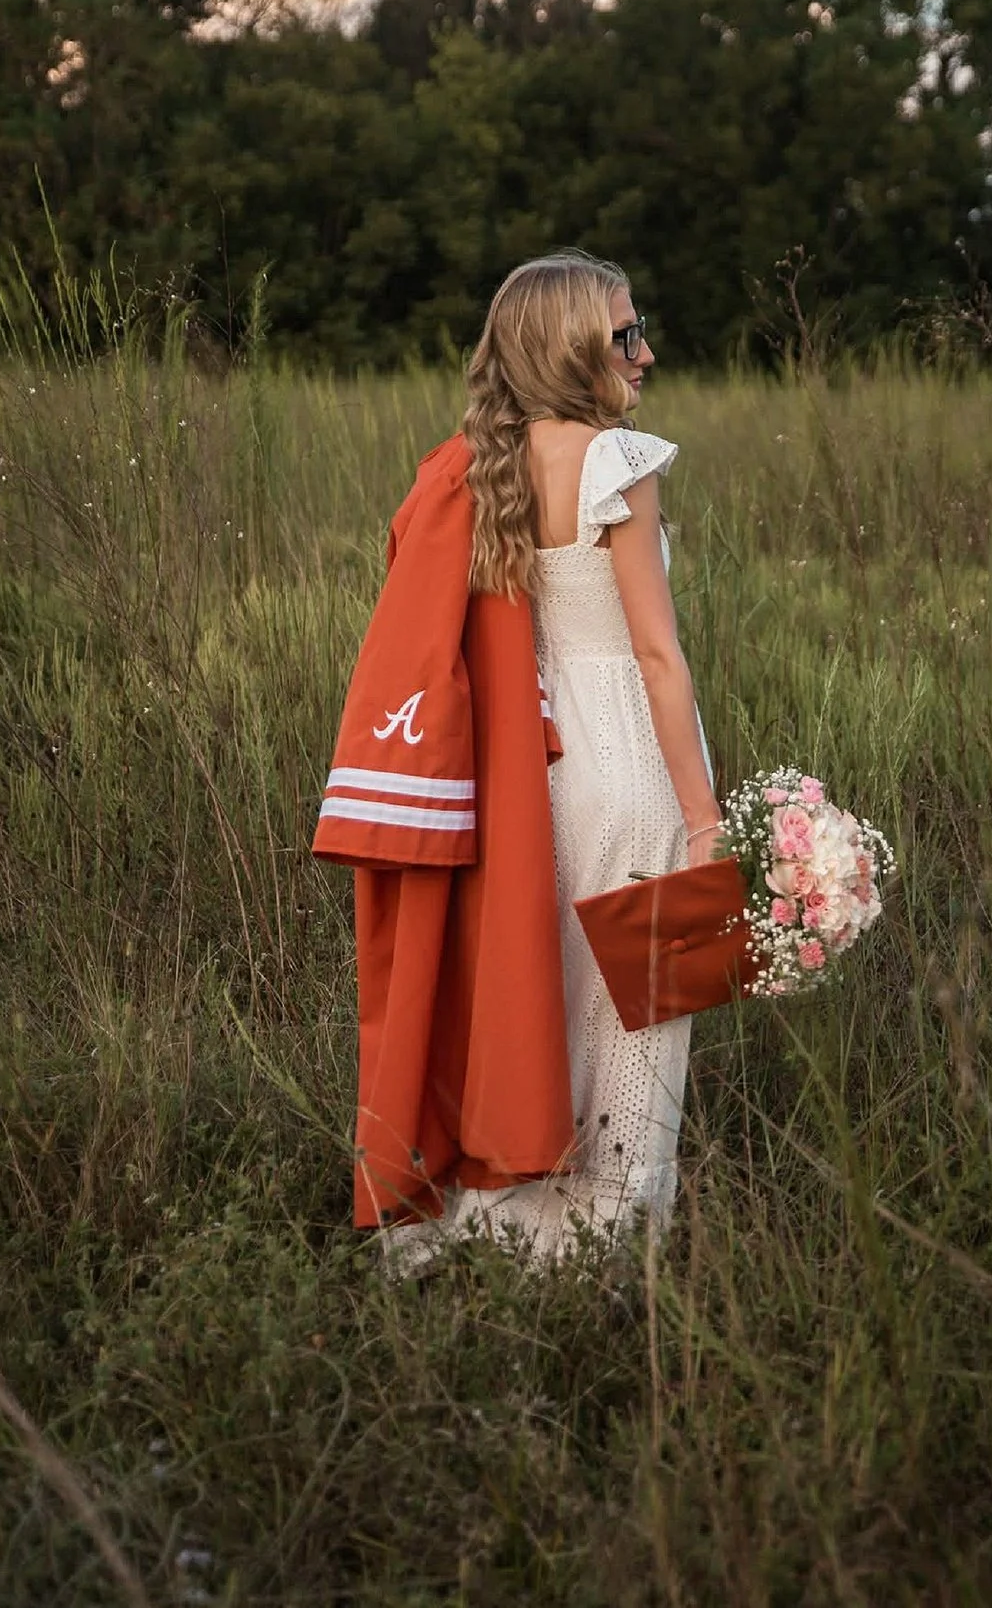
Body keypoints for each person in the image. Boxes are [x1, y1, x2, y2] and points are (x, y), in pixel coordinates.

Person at [312, 251, 716, 1269]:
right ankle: (607, 1259)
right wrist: (709, 821)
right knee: (641, 1032)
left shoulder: (476, 467)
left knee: (549, 1021)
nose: (645, 353)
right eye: (625, 335)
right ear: (572, 346)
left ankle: (497, 1241)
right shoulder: (619, 460)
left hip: (536, 782)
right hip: (634, 774)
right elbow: (659, 659)